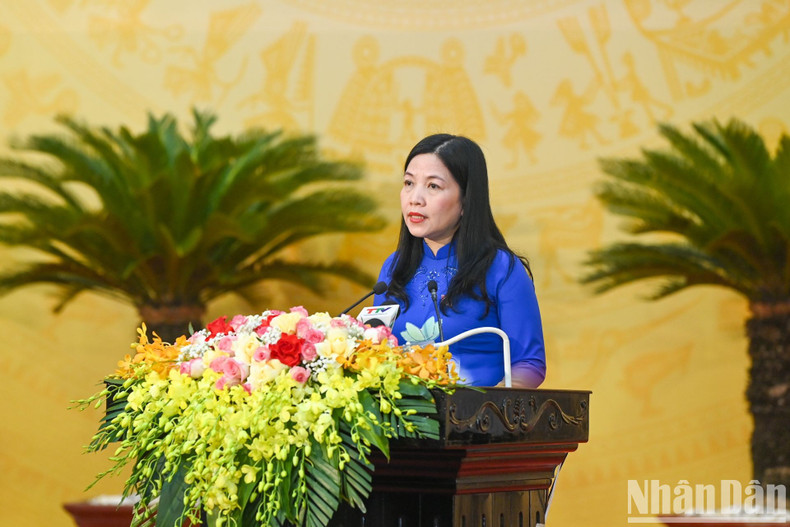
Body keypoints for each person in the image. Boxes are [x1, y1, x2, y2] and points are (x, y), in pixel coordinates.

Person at [374, 133, 546, 388]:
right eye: (409, 183)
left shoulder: (501, 268)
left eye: (433, 186)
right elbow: (374, 351)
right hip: (404, 422)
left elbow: (530, 364)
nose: (415, 198)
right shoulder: (393, 268)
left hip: (480, 421)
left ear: (466, 201)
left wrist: (489, 412)